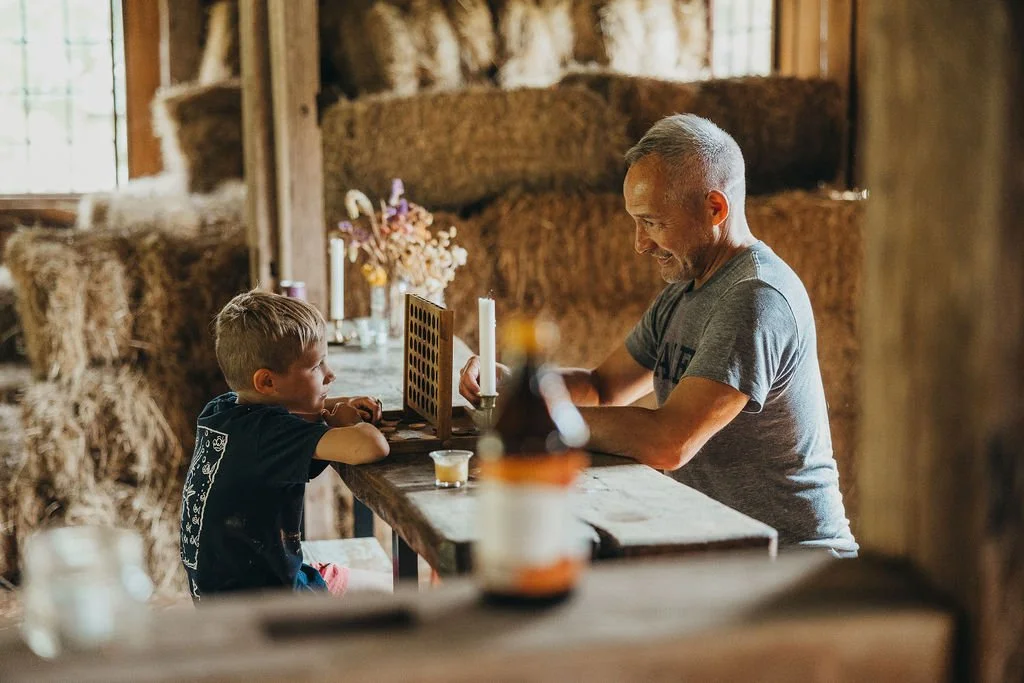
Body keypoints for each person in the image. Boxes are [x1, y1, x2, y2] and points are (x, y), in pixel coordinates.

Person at [460, 114, 857, 556]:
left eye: (652, 222)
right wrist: (518, 387)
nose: (640, 244)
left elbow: (670, 441)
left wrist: (538, 424)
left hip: (790, 564)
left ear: (715, 209)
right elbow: (601, 386)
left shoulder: (754, 298)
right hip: (724, 553)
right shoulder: (686, 290)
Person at [180, 290, 391, 601]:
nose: (330, 374)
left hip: (242, 586)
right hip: (269, 608)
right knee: (398, 598)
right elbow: (372, 447)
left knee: (390, 586)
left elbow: (289, 412)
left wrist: (336, 403)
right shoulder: (269, 436)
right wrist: (346, 422)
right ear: (266, 382)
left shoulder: (222, 409)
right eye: (317, 366)